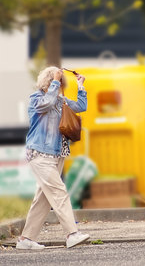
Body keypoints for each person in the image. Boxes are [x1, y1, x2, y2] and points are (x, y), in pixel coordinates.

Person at [16, 66, 90, 250]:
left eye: (60, 82)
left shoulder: (60, 100)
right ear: (48, 82)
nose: (59, 84)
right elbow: (46, 103)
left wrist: (80, 86)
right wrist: (55, 81)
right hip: (40, 154)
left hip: (57, 154)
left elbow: (81, 106)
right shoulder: (37, 99)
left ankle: (25, 239)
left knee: (43, 198)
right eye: (56, 81)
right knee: (59, 192)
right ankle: (72, 234)